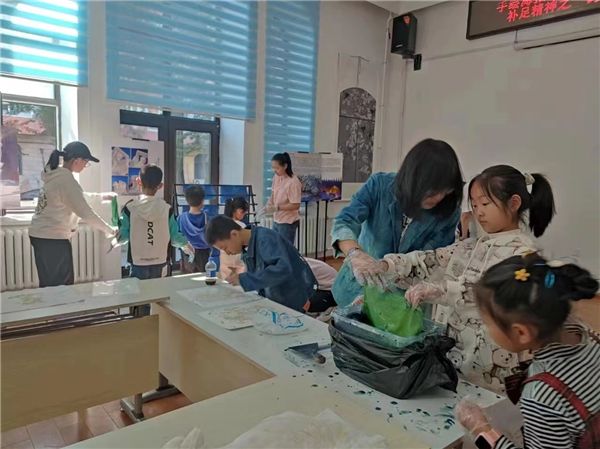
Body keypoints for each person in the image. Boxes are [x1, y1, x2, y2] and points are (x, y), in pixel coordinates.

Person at [370, 165, 556, 393]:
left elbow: (494, 294)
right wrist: (386, 266)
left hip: (493, 373)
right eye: (474, 205)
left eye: (485, 204)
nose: (478, 212)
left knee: (485, 409)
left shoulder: (525, 255)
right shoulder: (470, 247)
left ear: (514, 203)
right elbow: (429, 260)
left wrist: (443, 291)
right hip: (455, 361)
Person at [456, 254, 599, 449]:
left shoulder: (541, 397)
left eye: (488, 323)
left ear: (521, 333)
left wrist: (481, 429)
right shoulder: (590, 338)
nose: (487, 330)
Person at [331, 138, 464, 306]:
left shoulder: (448, 212)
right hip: (357, 285)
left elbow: (432, 260)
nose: (438, 198)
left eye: (445, 191)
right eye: (431, 192)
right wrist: (355, 254)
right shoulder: (380, 186)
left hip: (403, 297)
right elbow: (345, 221)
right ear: (412, 180)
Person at [29, 141, 115, 287]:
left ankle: (52, 302)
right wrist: (110, 230)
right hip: (52, 239)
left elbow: (76, 197)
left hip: (43, 236)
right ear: (77, 160)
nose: (85, 166)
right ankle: (56, 303)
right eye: (86, 162)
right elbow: (86, 213)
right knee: (61, 287)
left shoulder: (56, 175)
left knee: (50, 284)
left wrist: (102, 197)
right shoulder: (65, 179)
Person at [205, 215, 316, 313]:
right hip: (275, 296)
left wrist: (244, 279)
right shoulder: (247, 246)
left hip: (292, 296)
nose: (227, 253)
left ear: (234, 234)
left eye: (225, 248)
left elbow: (282, 269)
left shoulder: (265, 239)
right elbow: (262, 275)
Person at [118, 165, 193, 281]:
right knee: (160, 290)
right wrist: (186, 246)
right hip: (161, 261)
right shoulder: (167, 209)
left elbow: (122, 237)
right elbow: (175, 238)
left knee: (139, 291)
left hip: (138, 263)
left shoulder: (130, 208)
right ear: (160, 186)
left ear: (138, 181)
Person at [177, 185, 218, 273]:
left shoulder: (181, 218)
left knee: (188, 276)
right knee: (204, 275)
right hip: (204, 253)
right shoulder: (208, 218)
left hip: (187, 252)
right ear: (202, 201)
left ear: (187, 201)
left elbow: (178, 237)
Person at [264, 152, 302, 245]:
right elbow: (273, 193)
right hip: (277, 219)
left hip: (288, 222)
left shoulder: (293, 182)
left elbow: (296, 205)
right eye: (273, 168)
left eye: (277, 168)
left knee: (285, 249)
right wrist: (269, 203)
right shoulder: (276, 177)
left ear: (285, 166)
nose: (274, 170)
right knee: (276, 247)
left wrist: (277, 207)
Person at [220, 197, 250, 279]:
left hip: (224, 261)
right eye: (243, 212)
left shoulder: (221, 224)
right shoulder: (241, 226)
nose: (244, 215)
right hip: (238, 261)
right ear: (238, 210)